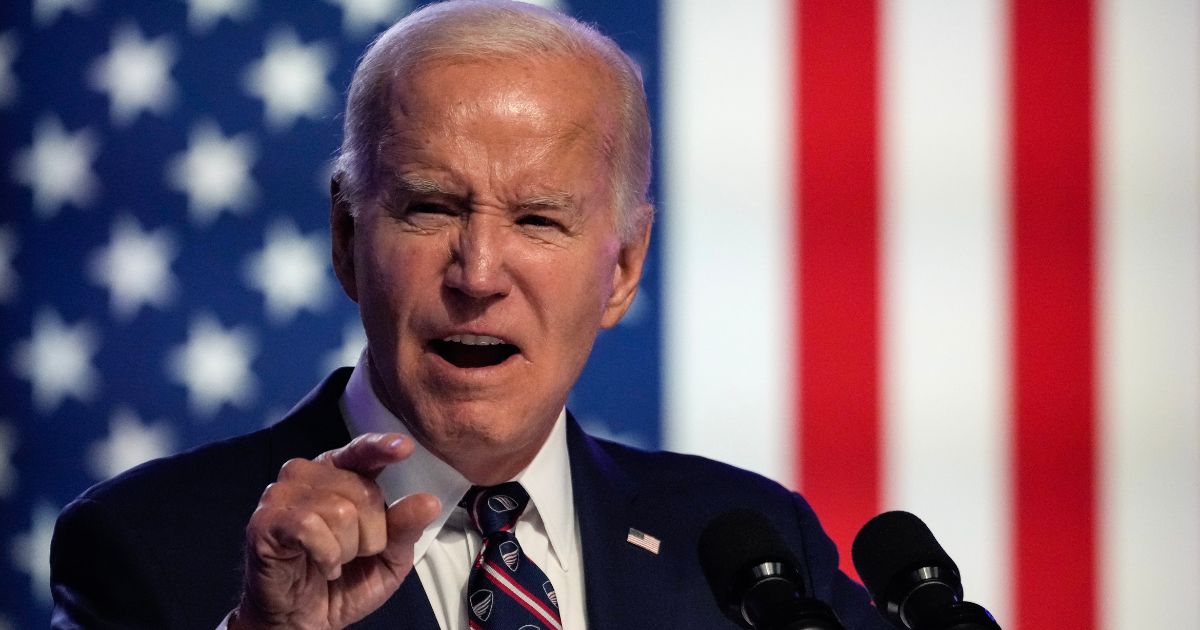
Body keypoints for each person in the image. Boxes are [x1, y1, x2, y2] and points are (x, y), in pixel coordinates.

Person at [50, 2, 891, 629]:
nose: (479, 274)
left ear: (624, 268)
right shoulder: (149, 546)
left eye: (537, 219)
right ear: (347, 237)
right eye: (429, 208)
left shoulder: (748, 553)